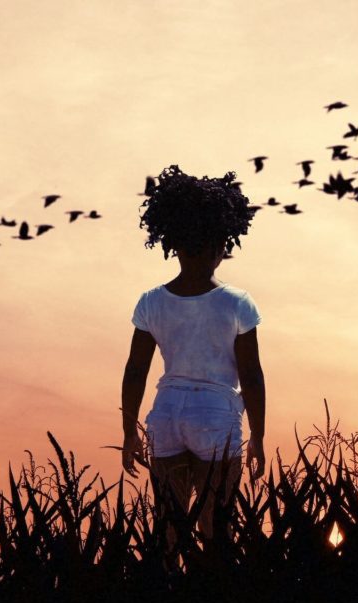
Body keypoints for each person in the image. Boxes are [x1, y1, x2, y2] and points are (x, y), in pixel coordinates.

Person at [120, 165, 266, 551]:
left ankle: (166, 600)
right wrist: (259, 436)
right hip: (215, 414)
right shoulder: (237, 303)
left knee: (168, 528)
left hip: (166, 412)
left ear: (173, 244)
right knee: (215, 530)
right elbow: (251, 375)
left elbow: (136, 370)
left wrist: (128, 430)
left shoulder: (152, 301)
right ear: (221, 248)